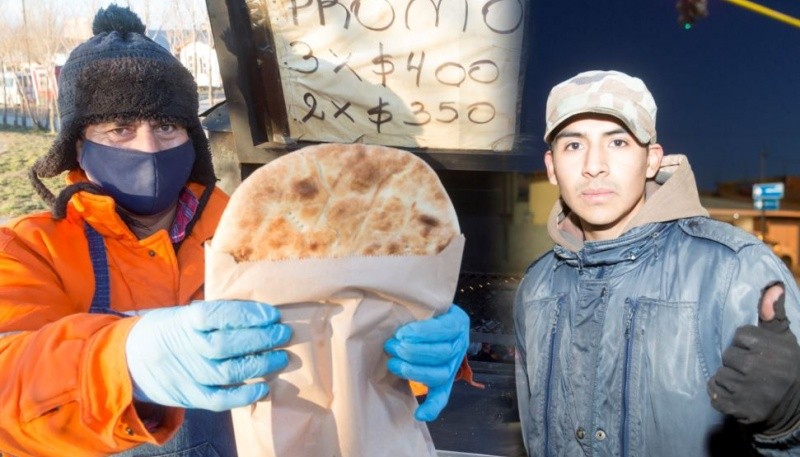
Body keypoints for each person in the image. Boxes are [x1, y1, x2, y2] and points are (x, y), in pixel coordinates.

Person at [0, 5, 469, 456]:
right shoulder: (28, 249)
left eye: (166, 125)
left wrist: (421, 350)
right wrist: (129, 363)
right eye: (120, 128)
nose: (148, 146)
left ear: (193, 140)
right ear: (77, 146)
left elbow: (338, 352)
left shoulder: (269, 237)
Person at [514, 69, 800, 456]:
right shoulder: (537, 286)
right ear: (551, 167)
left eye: (617, 141)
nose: (594, 165)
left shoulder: (736, 272)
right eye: (574, 145)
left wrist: (787, 421)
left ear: (651, 160)